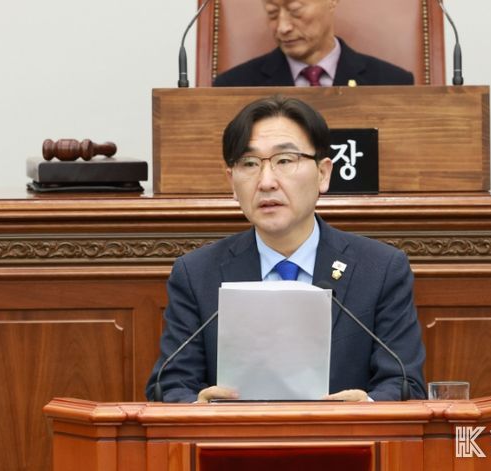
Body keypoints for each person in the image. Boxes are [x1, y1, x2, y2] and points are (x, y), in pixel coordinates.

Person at [145, 96, 426, 403]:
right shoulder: (197, 274)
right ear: (232, 181)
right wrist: (197, 408)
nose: (266, 182)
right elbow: (169, 386)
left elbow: (404, 383)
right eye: (249, 164)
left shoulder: (380, 269)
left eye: (285, 161)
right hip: (232, 434)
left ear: (323, 173)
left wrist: (366, 408)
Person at [213, 0, 414, 87]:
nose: (283, 27)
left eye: (295, 10)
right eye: (272, 14)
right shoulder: (233, 85)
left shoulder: (392, 82)